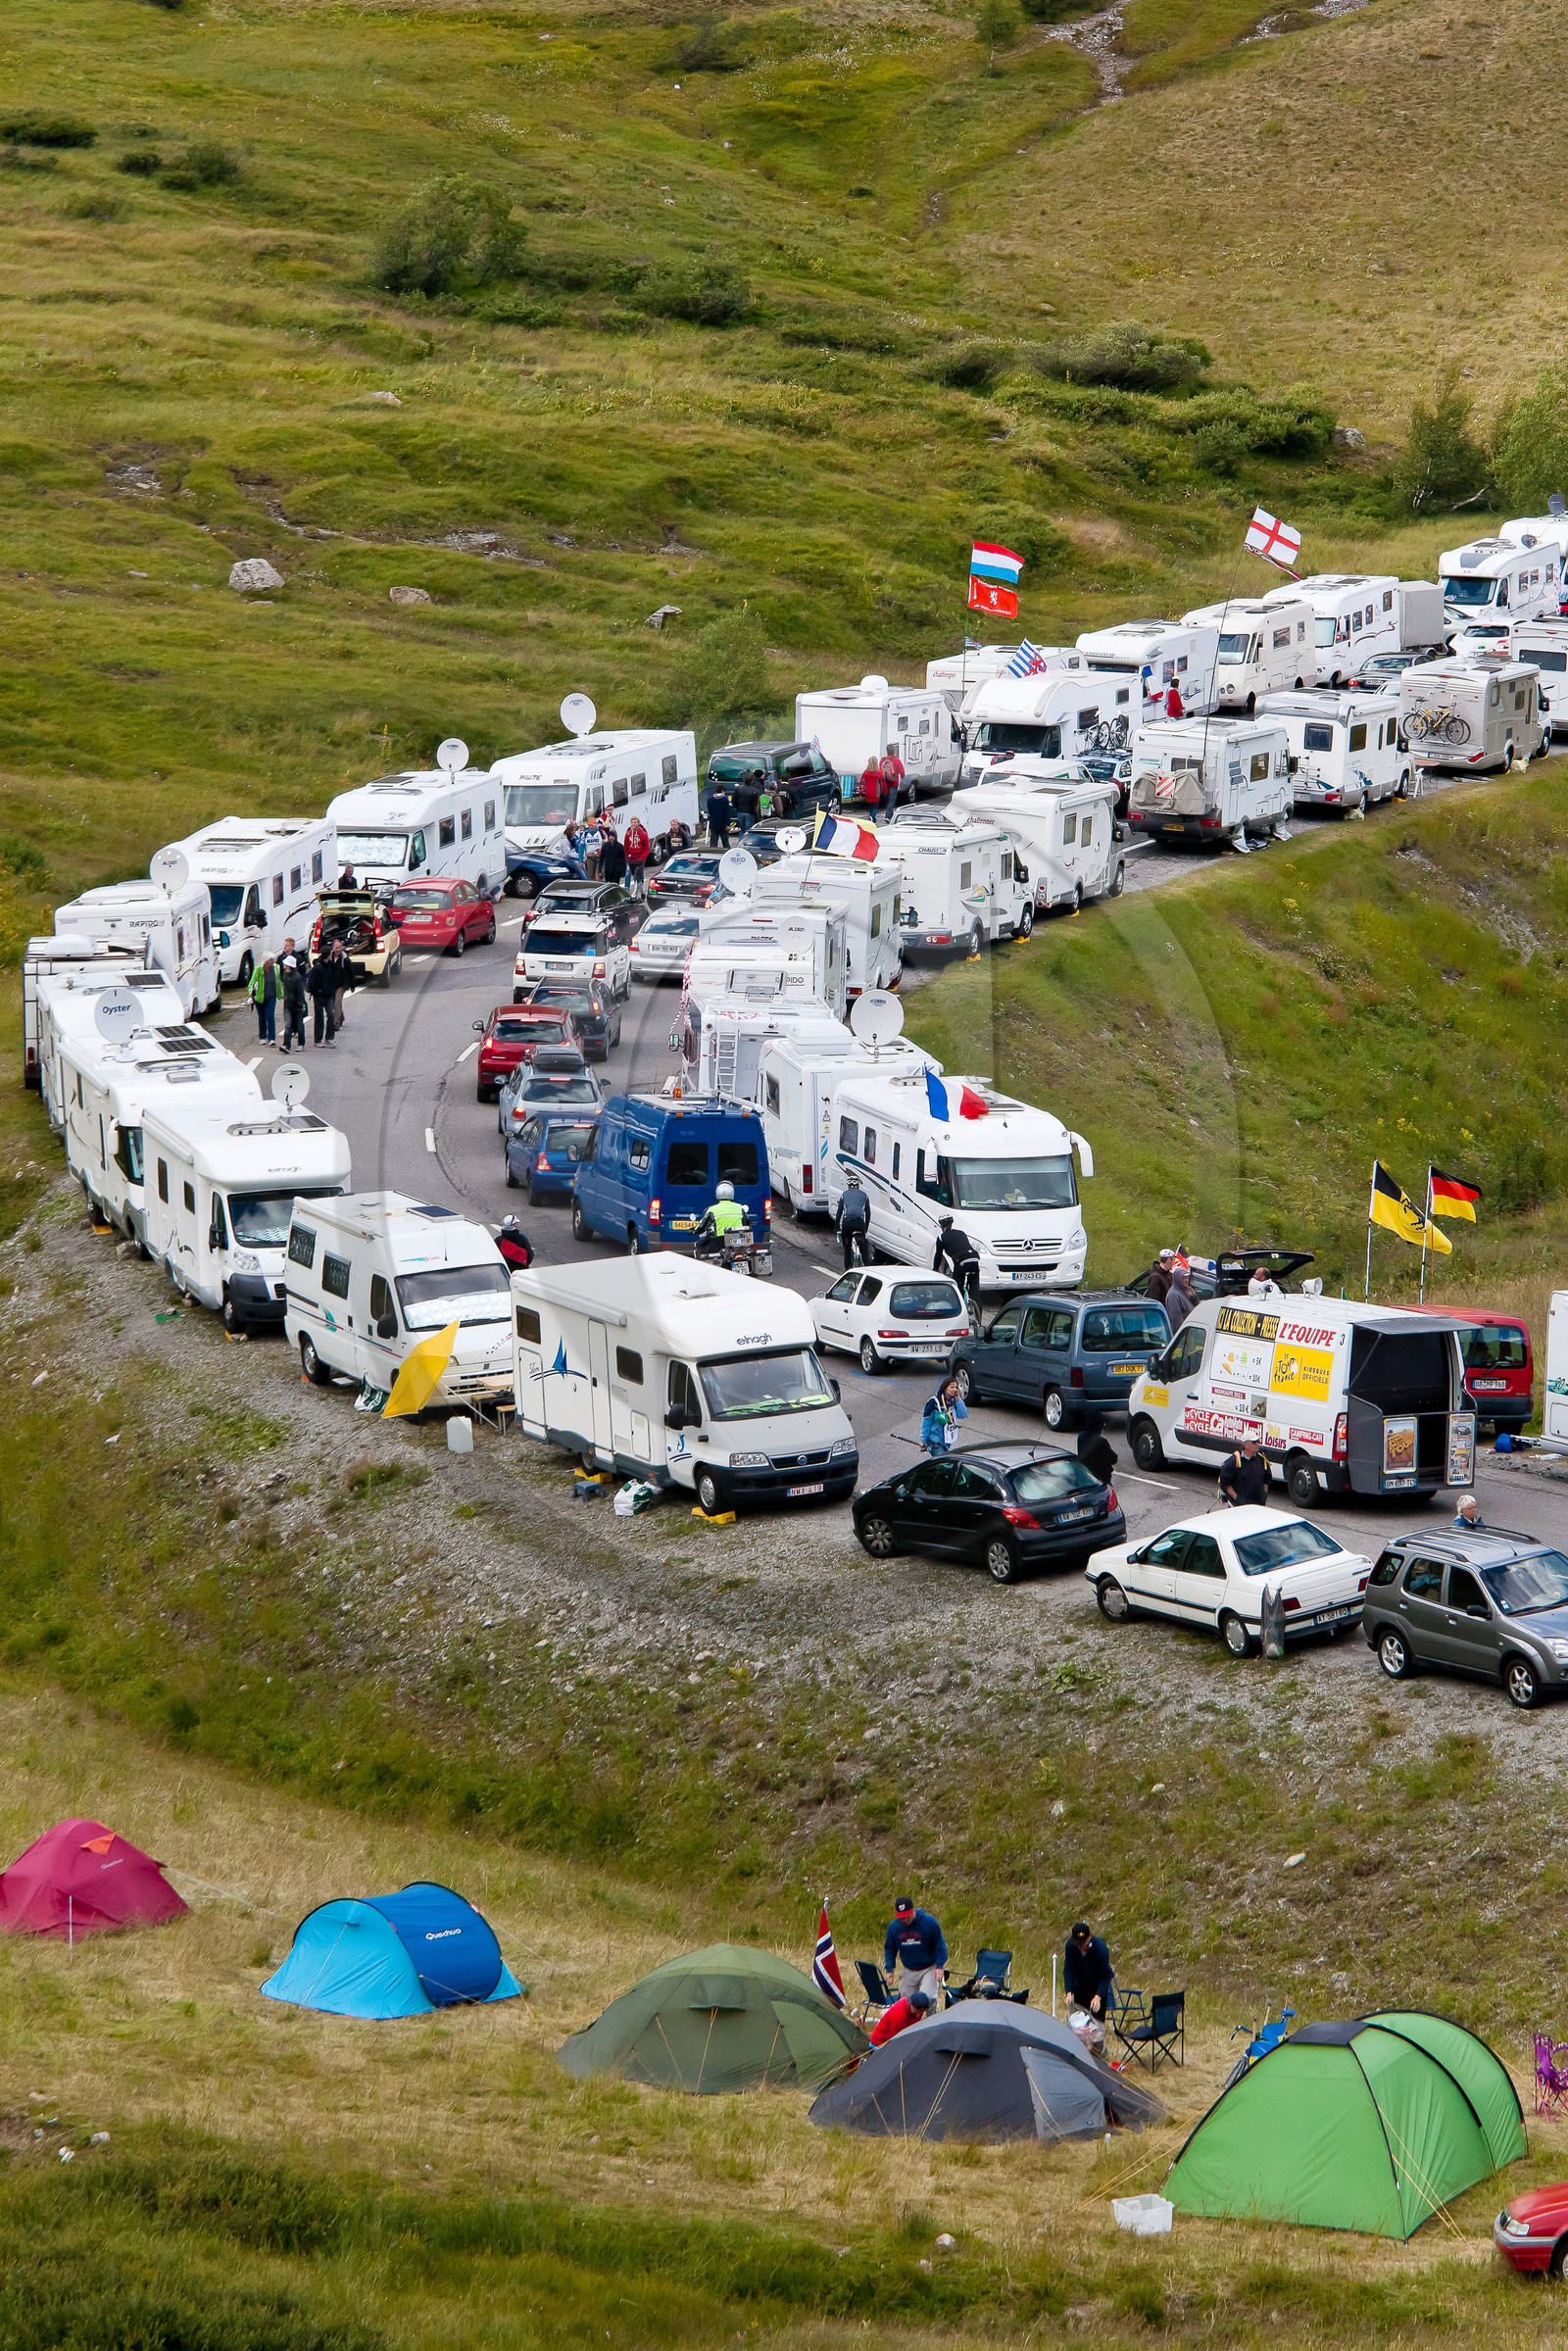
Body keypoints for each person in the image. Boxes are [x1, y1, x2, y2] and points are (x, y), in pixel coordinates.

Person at [883, 1896, 948, 2007]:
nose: (905, 1920)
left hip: (929, 1967)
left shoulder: (929, 1922)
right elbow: (890, 1948)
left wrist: (939, 1965)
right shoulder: (893, 1927)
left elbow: (940, 1945)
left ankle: (930, 2022)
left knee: (928, 2000)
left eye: (908, 1916)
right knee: (906, 2004)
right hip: (909, 1969)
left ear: (913, 1911)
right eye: (902, 1918)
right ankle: (910, 2024)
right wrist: (889, 1968)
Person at [1064, 1921, 1113, 2022]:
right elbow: (1069, 1969)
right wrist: (1069, 1991)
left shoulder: (1100, 1949)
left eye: (1082, 1944)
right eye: (1077, 1944)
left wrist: (1098, 1996)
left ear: (1089, 1937)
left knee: (1096, 2022)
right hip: (1080, 1988)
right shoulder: (1070, 1946)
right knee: (1080, 2020)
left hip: (1096, 1988)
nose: (1079, 1947)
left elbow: (1105, 1976)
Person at [933, 1215, 980, 1307]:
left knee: (958, 1288)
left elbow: (938, 1255)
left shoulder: (941, 1237)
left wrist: (935, 1269)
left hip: (961, 1262)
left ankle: (959, 1309)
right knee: (975, 1291)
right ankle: (978, 1317)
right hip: (974, 1259)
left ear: (941, 1226)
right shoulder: (961, 1233)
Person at [920, 1374, 966, 1458]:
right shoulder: (933, 1402)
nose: (954, 1389)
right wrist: (923, 1439)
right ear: (945, 1388)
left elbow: (963, 1414)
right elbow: (926, 1422)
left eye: (956, 1387)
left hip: (947, 1439)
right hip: (935, 1440)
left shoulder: (954, 1401)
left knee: (945, 1463)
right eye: (951, 1387)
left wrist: (958, 1400)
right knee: (942, 1463)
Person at [695, 1180, 747, 1254]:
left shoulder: (712, 1209)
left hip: (720, 1242)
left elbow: (702, 1226)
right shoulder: (739, 1207)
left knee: (708, 1254)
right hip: (738, 1241)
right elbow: (746, 1223)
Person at [1219, 1434, 1270, 1508]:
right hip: (1238, 1507)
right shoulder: (1233, 1462)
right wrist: (1237, 1498)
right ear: (1245, 1445)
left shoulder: (1261, 1459)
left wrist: (1263, 1495)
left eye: (1258, 1441)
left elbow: (1267, 1478)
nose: (1257, 1444)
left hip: (1258, 1506)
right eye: (1254, 1442)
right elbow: (1225, 1483)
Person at [836, 1173, 871, 1270]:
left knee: (847, 1249)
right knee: (864, 1250)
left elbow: (839, 1213)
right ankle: (867, 1268)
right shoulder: (865, 1196)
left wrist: (837, 1228)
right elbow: (868, 1214)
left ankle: (848, 1270)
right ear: (858, 1186)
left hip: (847, 1223)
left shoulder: (844, 1195)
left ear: (848, 1186)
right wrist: (865, 1228)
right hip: (859, 1224)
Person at [307, 946, 339, 1047]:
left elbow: (333, 978)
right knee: (319, 1017)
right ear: (328, 955)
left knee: (330, 1015)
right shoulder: (317, 967)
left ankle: (329, 1038)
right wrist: (316, 991)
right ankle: (318, 1039)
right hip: (319, 996)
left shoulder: (330, 965)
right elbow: (311, 982)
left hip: (328, 995)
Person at [279, 946, 309, 1053]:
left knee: (299, 1025)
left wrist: (300, 1004)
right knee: (288, 1025)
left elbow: (300, 993)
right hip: (288, 1004)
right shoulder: (286, 975)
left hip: (297, 1005)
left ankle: (301, 1044)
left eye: (285, 964)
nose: (284, 965)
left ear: (289, 965)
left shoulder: (297, 977)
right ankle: (286, 1045)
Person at [1076, 1416, 1118, 1486]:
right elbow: (1113, 1459)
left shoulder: (1081, 1437)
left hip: (1085, 1474)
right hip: (1100, 1478)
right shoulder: (1101, 1441)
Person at [249, 954, 277, 1046]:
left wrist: (281, 994)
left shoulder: (276, 968)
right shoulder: (258, 969)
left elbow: (279, 982)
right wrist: (251, 992)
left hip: (271, 996)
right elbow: (252, 983)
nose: (273, 962)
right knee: (262, 1017)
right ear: (266, 961)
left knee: (270, 1015)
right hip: (260, 997)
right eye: (271, 960)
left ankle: (272, 1038)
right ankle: (262, 1036)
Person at [623, 813, 652, 897]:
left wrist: (642, 858)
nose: (634, 824)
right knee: (634, 875)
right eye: (632, 822)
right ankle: (642, 892)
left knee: (637, 876)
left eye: (635, 822)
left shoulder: (643, 834)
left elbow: (647, 848)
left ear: (638, 823)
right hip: (631, 859)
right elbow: (626, 847)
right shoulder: (628, 834)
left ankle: (635, 893)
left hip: (640, 858)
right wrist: (627, 858)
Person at [1165, 1259, 1196, 1329]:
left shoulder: (1185, 1290)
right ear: (1178, 1279)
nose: (1186, 1280)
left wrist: (1193, 1296)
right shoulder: (1174, 1295)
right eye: (1184, 1278)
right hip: (1184, 1332)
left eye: (1187, 1278)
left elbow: (1195, 1307)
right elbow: (1176, 1320)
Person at [706, 784, 732, 850]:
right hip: (723, 825)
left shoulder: (710, 800)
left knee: (713, 843)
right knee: (725, 842)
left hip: (713, 824)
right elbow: (727, 813)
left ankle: (713, 855)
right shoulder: (724, 800)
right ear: (722, 791)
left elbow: (709, 811)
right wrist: (727, 824)